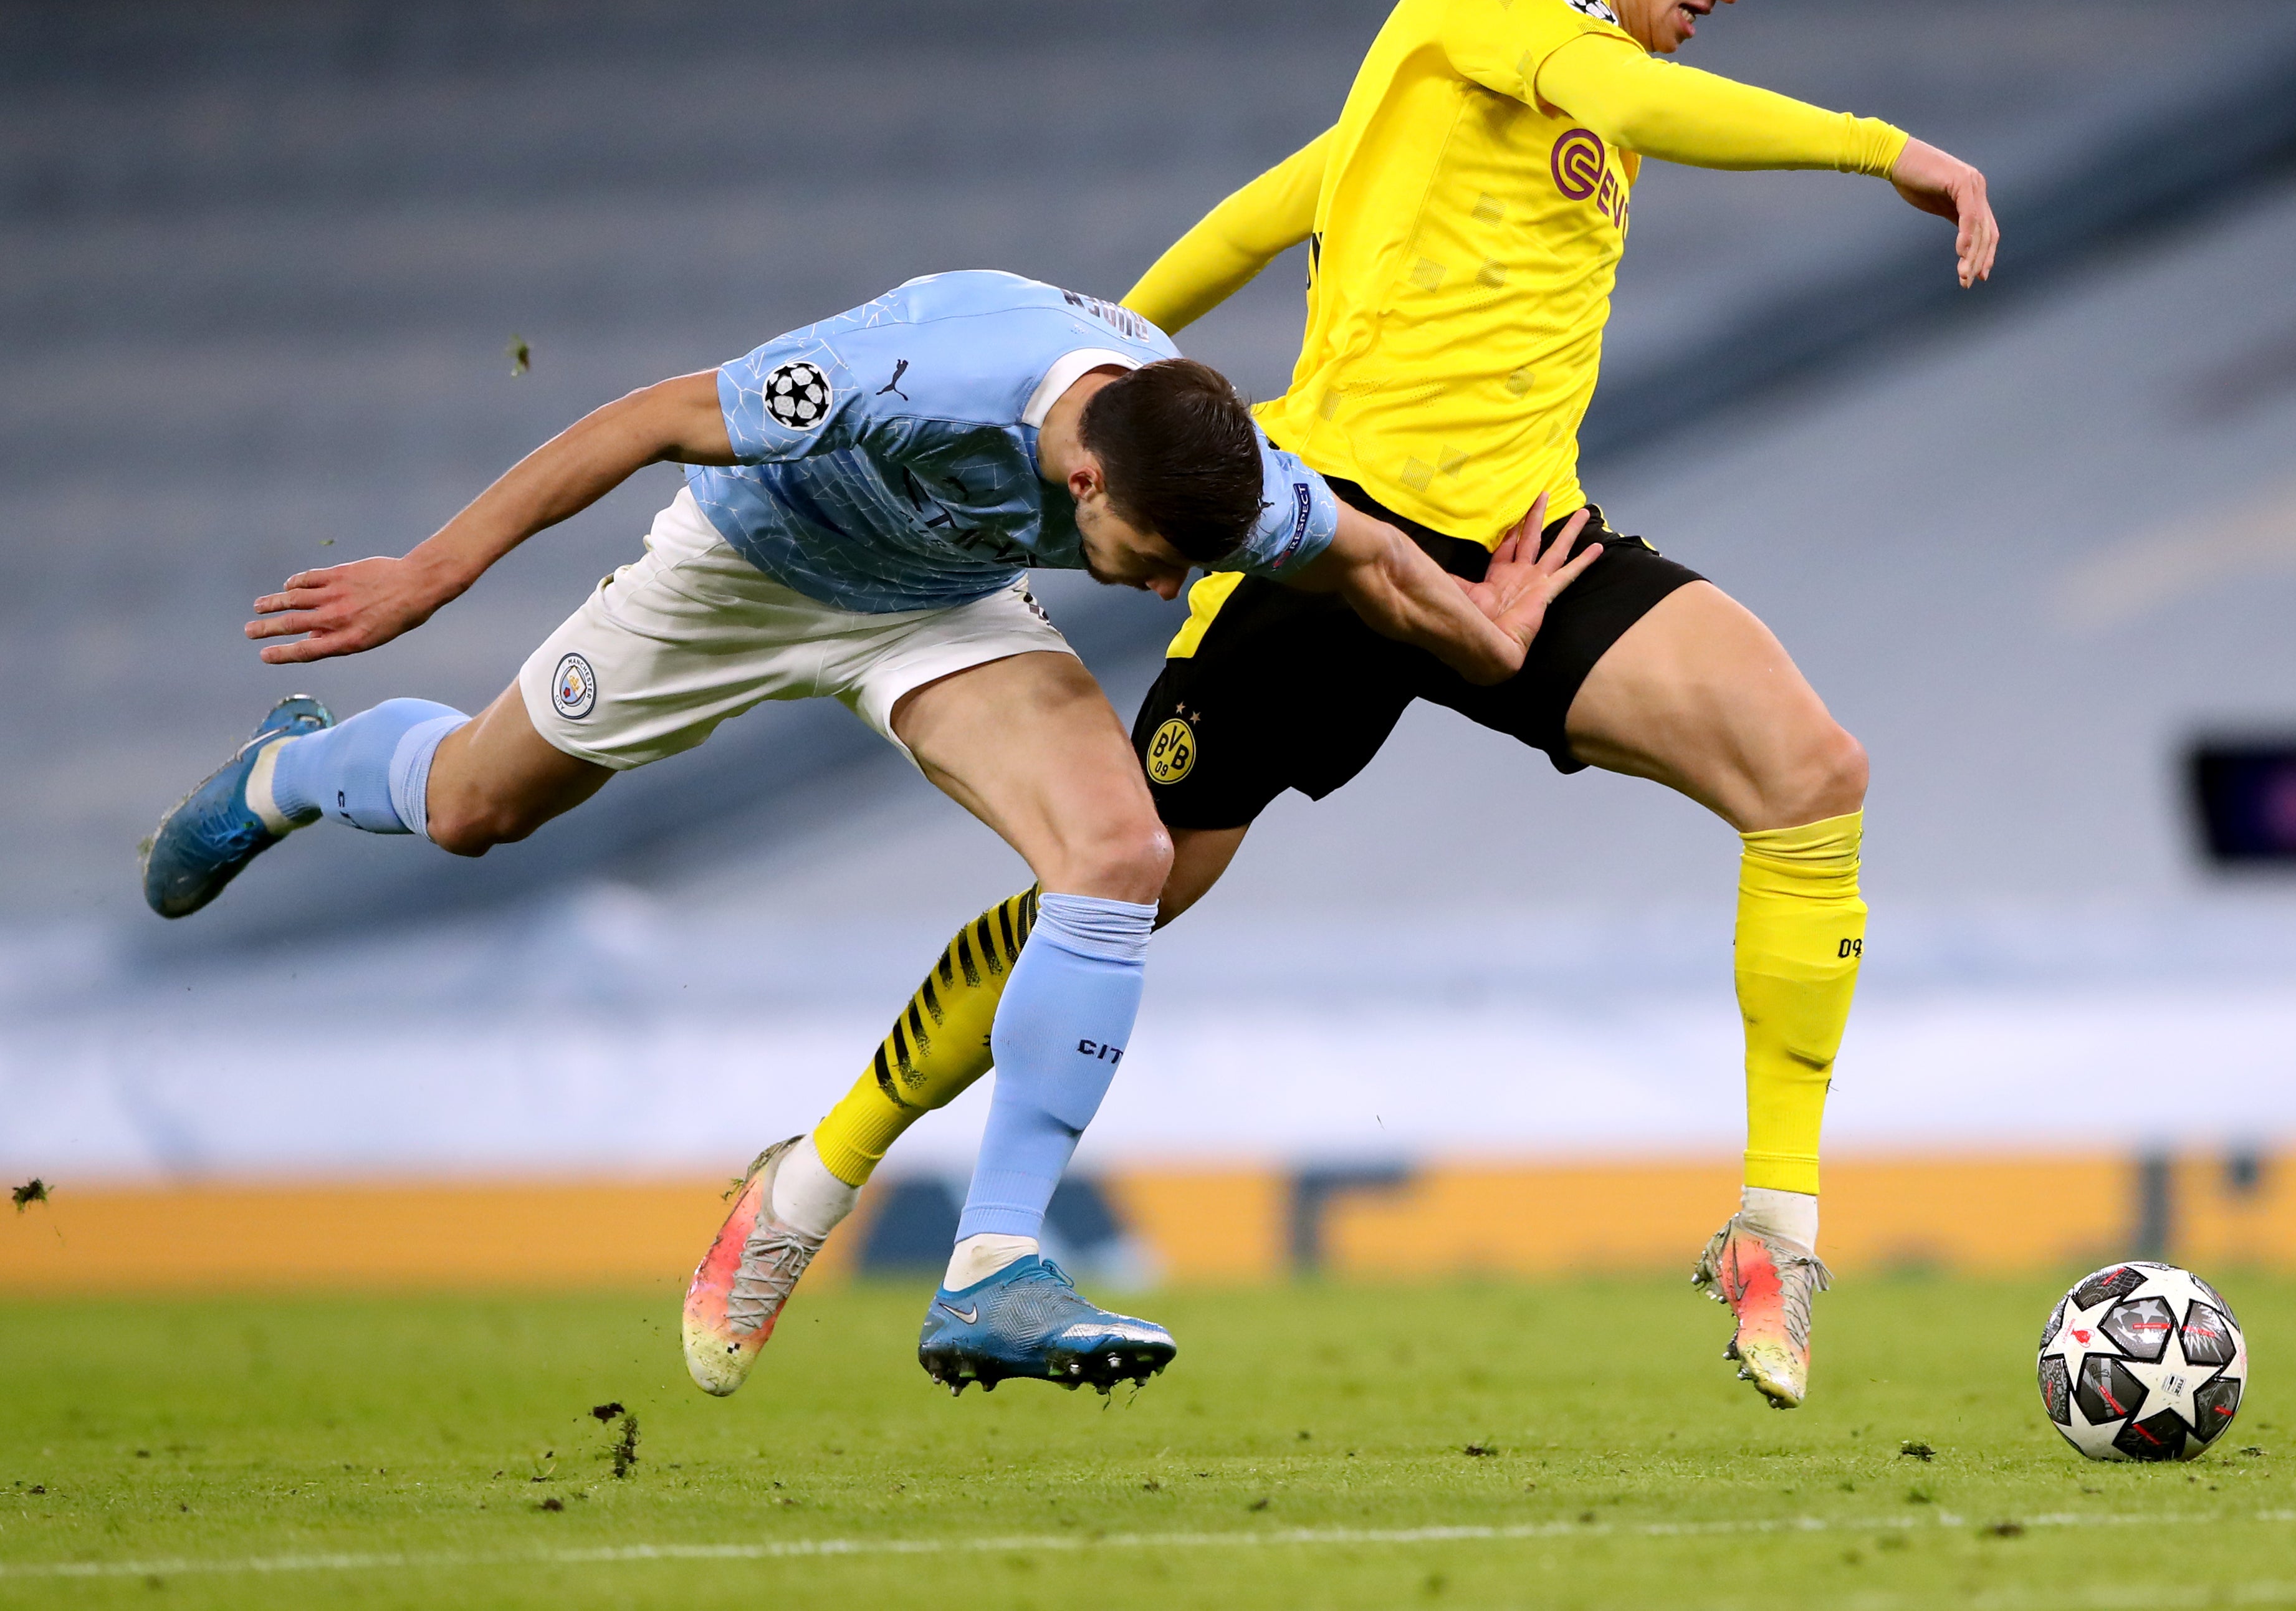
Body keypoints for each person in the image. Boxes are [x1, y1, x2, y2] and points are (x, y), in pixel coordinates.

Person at [747, 0, 2000, 1410]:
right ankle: (808, 1182)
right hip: (1321, 539)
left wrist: (1111, 335)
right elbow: (1379, 171)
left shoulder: (1515, 99)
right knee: (1125, 885)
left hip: (1518, 560)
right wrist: (1889, 153)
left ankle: (1774, 1229)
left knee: (1811, 772)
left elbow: (1280, 206)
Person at [140, 268, 1593, 1398]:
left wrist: (1501, 646)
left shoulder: (1216, 466)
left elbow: (1377, 565)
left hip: (934, 606)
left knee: (1121, 858)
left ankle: (999, 1261)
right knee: (470, 807)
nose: (1165, 593)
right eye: (1152, 564)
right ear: (1084, 479)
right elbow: (646, 418)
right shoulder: (915, 379)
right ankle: (296, 772)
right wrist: (429, 574)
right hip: (745, 569)